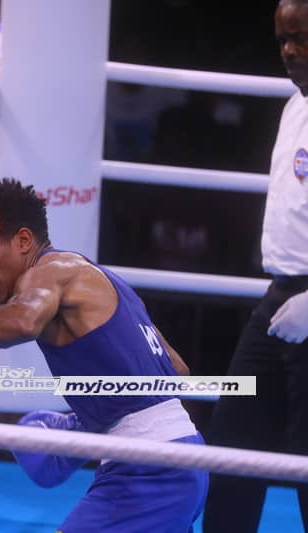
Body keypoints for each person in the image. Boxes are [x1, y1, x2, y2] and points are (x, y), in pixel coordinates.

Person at [0, 177, 208, 532]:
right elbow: (177, 371)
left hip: (148, 472)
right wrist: (89, 425)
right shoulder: (102, 279)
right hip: (178, 457)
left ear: (23, 241)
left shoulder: (50, 272)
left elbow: (24, 320)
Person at [202, 1, 308, 530]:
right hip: (280, 298)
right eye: (283, 39)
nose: (290, 51)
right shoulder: (296, 105)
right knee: (233, 445)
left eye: (302, 38)